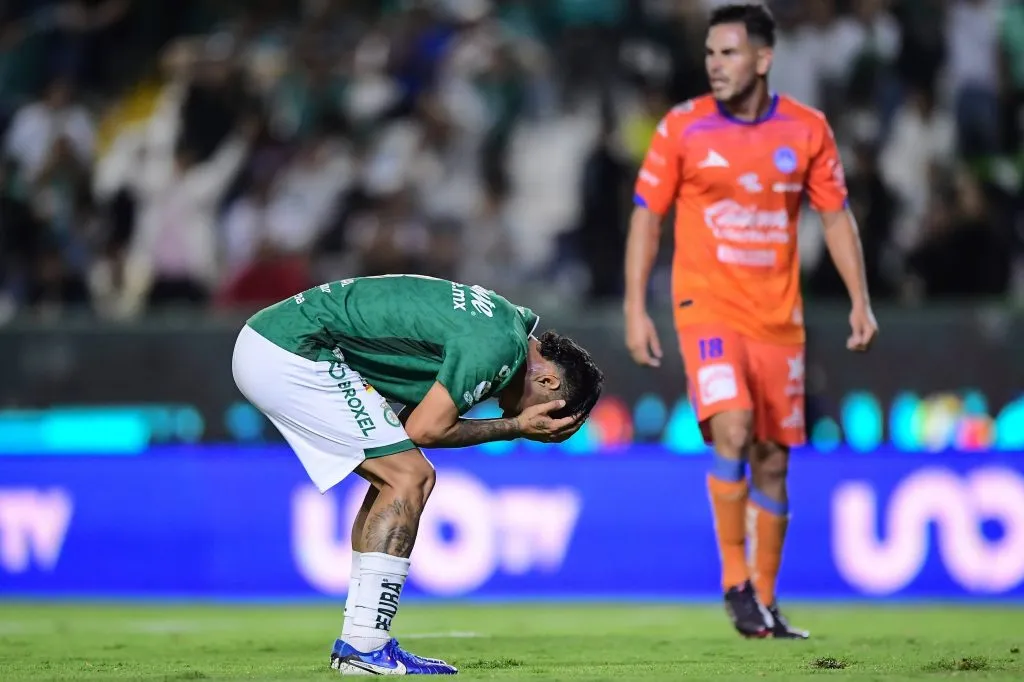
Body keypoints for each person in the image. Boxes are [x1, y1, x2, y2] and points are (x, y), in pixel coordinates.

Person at [623, 3, 877, 639]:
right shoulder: (681, 128)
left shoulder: (807, 129)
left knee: (771, 461)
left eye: (728, 53)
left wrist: (859, 299)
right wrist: (634, 307)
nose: (715, 65)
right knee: (732, 428)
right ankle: (736, 584)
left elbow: (835, 215)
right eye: (710, 53)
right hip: (705, 307)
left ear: (763, 59)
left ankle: (764, 601)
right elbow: (647, 217)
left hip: (778, 321)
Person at [232, 273, 604, 675]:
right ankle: (364, 646)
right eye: (550, 411)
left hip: (279, 340)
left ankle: (362, 639)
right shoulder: (498, 346)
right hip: (293, 350)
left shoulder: (504, 322)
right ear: (548, 381)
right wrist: (516, 428)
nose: (516, 413)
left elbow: (414, 416)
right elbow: (424, 429)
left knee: (395, 475)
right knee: (410, 477)